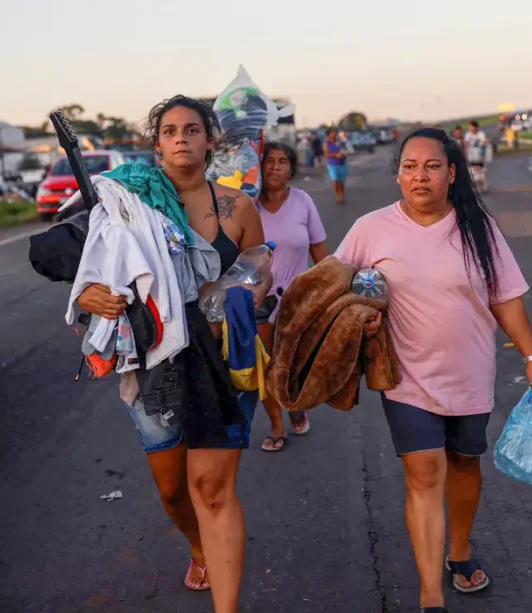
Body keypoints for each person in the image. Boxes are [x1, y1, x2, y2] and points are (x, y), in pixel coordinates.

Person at [334, 128, 532, 613]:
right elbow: (334, 286)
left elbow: (506, 299)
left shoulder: (478, 228)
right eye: (410, 166)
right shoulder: (372, 229)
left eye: (432, 166)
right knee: (425, 471)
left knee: (464, 462)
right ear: (398, 175)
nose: (420, 176)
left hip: (470, 373)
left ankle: (460, 551)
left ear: (452, 173)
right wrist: (357, 316)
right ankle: (431, 594)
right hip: (405, 377)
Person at [75, 95, 267, 612]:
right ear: (157, 144)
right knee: (173, 492)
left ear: (210, 139)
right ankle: (199, 544)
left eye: (192, 129)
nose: (181, 137)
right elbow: (89, 265)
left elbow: (257, 263)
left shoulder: (238, 206)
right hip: (156, 361)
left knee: (211, 486)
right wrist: (89, 293)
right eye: (169, 130)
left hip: (224, 359)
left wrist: (245, 295)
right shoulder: (125, 204)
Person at [256, 141, 330, 451]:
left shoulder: (302, 202)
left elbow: (320, 251)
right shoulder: (246, 203)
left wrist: (330, 292)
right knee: (266, 365)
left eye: (282, 161)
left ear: (291, 168)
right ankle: (276, 425)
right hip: (258, 300)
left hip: (297, 300)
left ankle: (295, 403)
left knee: (294, 363)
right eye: (268, 161)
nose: (275, 167)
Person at [462, 121, 490, 192]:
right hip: (471, 156)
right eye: (470, 127)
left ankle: (484, 185)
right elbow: (465, 143)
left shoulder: (480, 134)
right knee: (472, 173)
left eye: (472, 127)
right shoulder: (468, 135)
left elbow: (484, 141)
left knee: (482, 171)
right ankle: (475, 187)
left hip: (480, 155)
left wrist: (485, 143)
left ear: (476, 127)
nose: (471, 128)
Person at [324, 128, 348, 205]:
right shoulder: (326, 143)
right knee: (335, 180)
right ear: (329, 134)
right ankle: (337, 196)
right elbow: (326, 154)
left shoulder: (339, 141)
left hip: (342, 163)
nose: (334, 134)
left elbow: (345, 150)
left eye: (334, 132)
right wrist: (335, 155)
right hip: (332, 164)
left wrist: (343, 154)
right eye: (332, 132)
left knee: (341, 181)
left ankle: (342, 196)